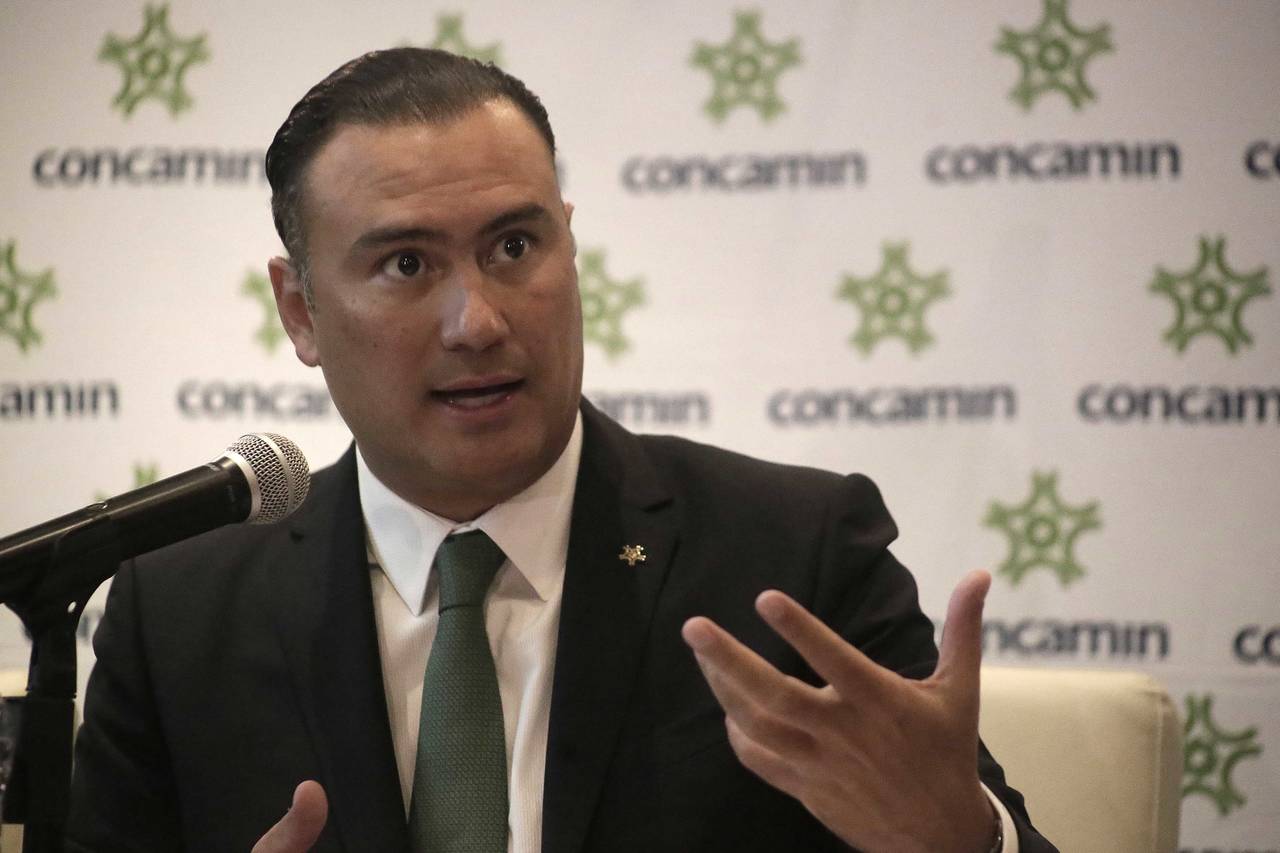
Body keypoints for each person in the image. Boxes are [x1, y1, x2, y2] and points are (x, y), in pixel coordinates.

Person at [66, 48, 1056, 852]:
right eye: (406, 263)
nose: (478, 321)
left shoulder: (794, 556)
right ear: (300, 309)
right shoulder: (176, 614)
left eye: (513, 246)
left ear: (568, 245)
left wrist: (960, 840)